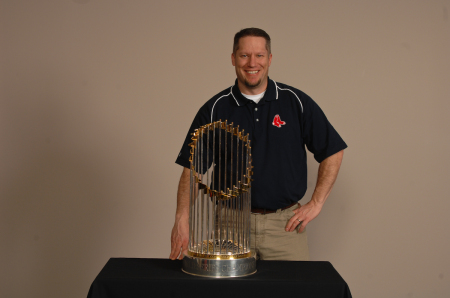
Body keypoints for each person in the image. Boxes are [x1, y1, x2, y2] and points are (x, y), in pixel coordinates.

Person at [170, 28, 347, 261]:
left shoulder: (296, 103)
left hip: (284, 226)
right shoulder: (215, 109)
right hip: (230, 225)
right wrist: (181, 219)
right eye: (244, 55)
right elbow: (192, 170)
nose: (252, 62)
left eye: (259, 55)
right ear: (233, 59)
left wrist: (316, 203)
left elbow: (333, 151)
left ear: (270, 59)